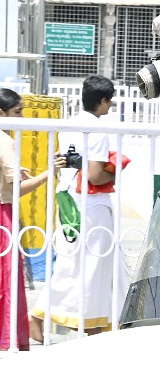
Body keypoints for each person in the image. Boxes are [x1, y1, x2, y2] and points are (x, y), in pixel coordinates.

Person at [30, 75, 128, 342]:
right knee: (92, 264)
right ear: (104, 101)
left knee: (72, 262)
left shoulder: (68, 124)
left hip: (67, 199)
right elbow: (96, 174)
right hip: (90, 203)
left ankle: (73, 320)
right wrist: (114, 174)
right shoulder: (97, 129)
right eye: (109, 102)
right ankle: (63, 320)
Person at [0, 89, 65, 351]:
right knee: (8, 279)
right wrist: (49, 173)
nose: (22, 117)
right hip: (3, 214)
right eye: (17, 112)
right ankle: (8, 338)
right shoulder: (6, 141)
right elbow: (16, 189)